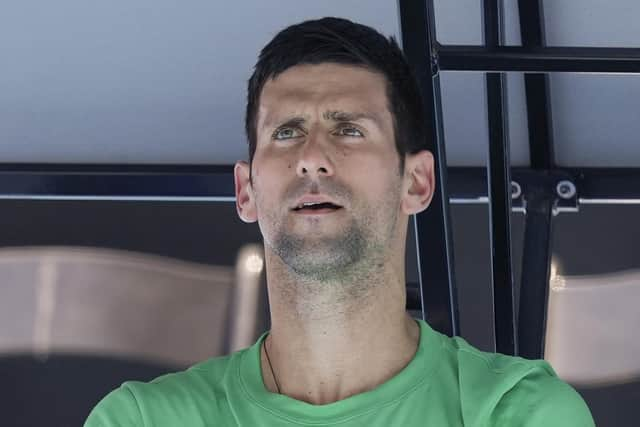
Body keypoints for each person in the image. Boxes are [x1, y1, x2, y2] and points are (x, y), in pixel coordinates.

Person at [84, 17, 594, 426]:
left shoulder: (519, 414)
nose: (312, 158)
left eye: (349, 130)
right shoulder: (140, 420)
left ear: (415, 182)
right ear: (246, 191)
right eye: (286, 132)